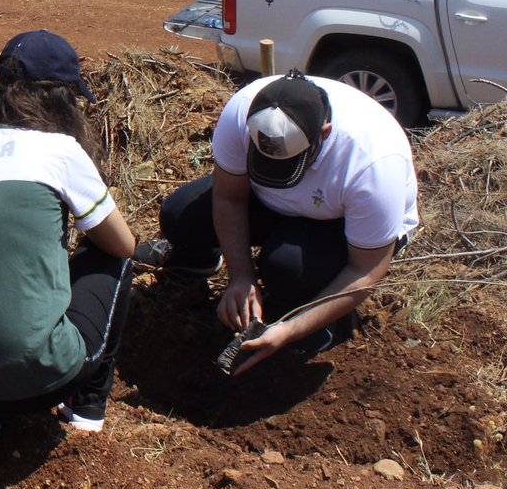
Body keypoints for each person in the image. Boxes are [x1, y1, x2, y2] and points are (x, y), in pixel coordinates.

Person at [0, 30, 136, 444]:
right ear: (61, 98)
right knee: (115, 256)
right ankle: (86, 406)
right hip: (44, 379)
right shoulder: (59, 150)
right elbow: (122, 243)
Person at [136, 70, 418, 376]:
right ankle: (201, 264)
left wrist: (291, 329)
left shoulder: (372, 163)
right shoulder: (243, 111)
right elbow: (229, 198)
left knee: (286, 268)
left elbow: (367, 270)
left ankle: (317, 324)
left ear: (323, 133)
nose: (278, 173)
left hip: (338, 222)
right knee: (180, 215)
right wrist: (241, 277)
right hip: (274, 205)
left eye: (290, 164)